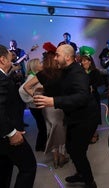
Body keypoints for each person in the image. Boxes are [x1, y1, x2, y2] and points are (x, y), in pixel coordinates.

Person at [33, 44, 99, 188]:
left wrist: (54, 101)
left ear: (67, 57)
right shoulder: (65, 71)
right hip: (75, 116)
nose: (55, 58)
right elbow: (60, 86)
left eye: (57, 55)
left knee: (78, 151)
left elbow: (82, 96)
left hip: (86, 118)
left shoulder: (77, 72)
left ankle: (90, 182)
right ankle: (81, 173)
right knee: (71, 147)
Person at [23, 42, 69, 169]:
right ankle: (61, 156)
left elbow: (26, 87)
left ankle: (55, 158)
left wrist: (36, 96)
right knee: (61, 131)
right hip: (59, 105)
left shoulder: (42, 74)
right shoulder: (62, 72)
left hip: (46, 107)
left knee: (51, 131)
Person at [0, 44, 36, 188]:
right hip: (8, 134)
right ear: (2, 60)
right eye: (10, 57)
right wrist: (11, 132)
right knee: (29, 167)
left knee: (4, 170)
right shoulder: (1, 79)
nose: (12, 59)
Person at [19, 58, 47, 151]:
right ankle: (40, 146)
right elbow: (22, 90)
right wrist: (34, 98)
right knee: (42, 126)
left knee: (42, 126)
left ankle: (40, 146)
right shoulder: (31, 77)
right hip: (35, 107)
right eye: (40, 63)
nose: (42, 64)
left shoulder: (35, 75)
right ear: (35, 66)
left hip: (35, 106)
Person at [80, 46, 102, 144]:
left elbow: (99, 82)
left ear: (90, 61)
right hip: (84, 98)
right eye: (82, 61)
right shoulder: (79, 72)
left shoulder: (95, 71)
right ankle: (88, 133)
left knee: (94, 115)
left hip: (94, 97)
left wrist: (93, 86)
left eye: (86, 60)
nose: (84, 62)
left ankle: (94, 133)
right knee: (86, 116)